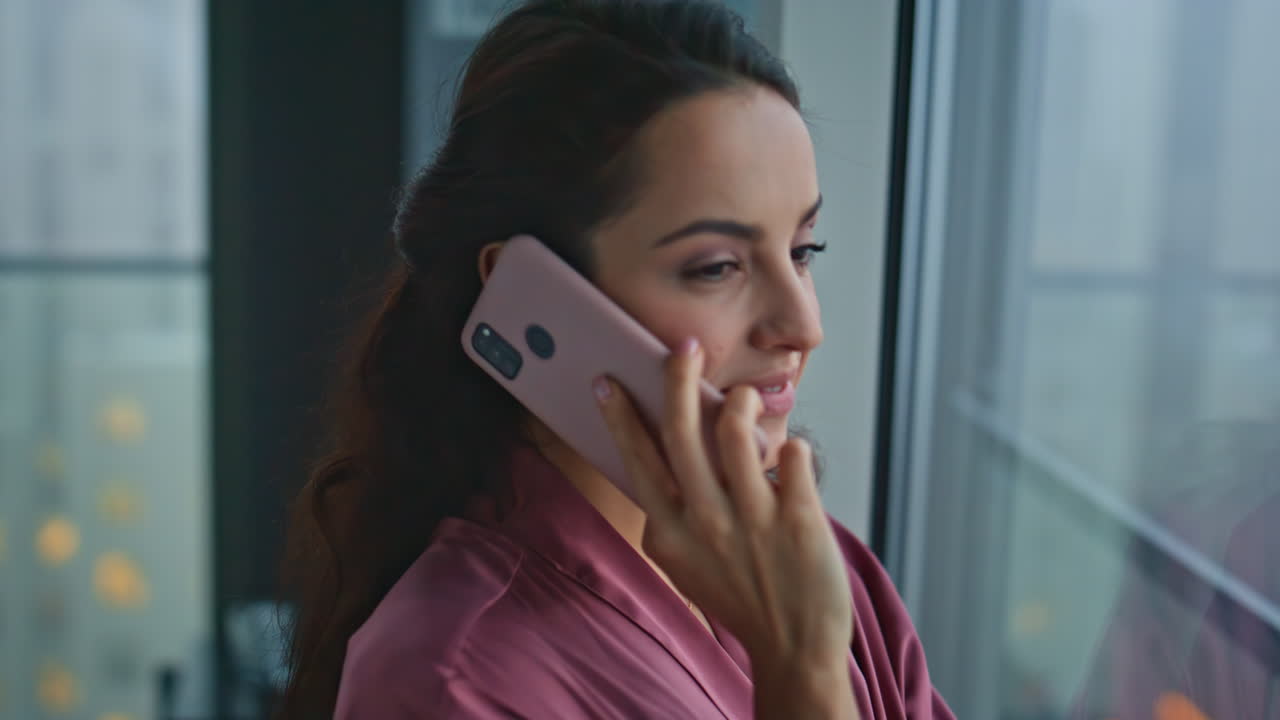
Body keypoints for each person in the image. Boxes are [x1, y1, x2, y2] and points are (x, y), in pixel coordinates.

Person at [276, 1, 954, 717]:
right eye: (717, 267)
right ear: (532, 296)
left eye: (801, 252)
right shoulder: (452, 678)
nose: (802, 325)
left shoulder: (820, 573)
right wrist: (803, 674)